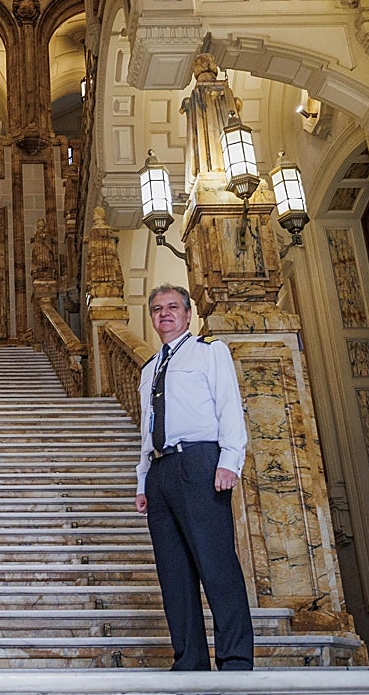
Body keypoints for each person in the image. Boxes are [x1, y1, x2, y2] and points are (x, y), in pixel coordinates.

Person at [134, 284, 254, 671]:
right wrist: (143, 481)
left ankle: (235, 660)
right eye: (156, 309)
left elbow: (229, 406)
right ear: (152, 319)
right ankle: (190, 661)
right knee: (173, 574)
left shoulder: (209, 351)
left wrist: (229, 461)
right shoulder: (149, 368)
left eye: (172, 307)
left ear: (188, 315)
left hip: (200, 461)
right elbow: (146, 428)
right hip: (161, 470)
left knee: (216, 564)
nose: (164, 314)